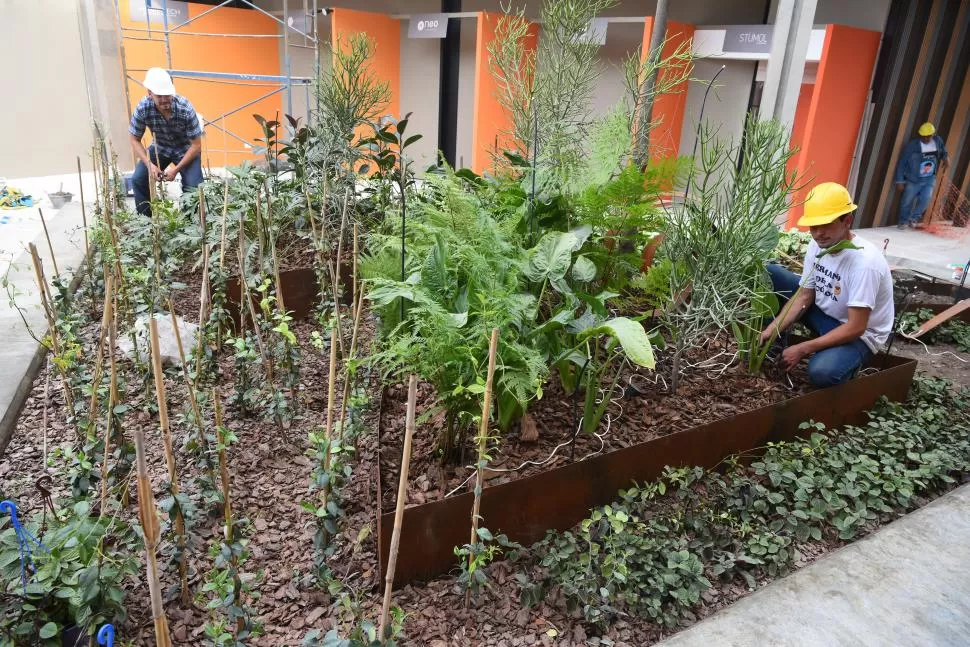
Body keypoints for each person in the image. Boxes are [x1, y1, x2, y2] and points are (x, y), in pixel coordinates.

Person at [761, 182, 894, 387]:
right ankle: (772, 351)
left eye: (826, 225)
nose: (818, 233)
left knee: (822, 373)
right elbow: (804, 296)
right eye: (814, 226)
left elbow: (856, 327)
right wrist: (772, 330)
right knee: (773, 273)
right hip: (825, 315)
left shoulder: (865, 264)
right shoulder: (818, 244)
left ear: (847, 221)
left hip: (858, 334)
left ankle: (847, 362)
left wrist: (804, 348)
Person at [129, 67, 203, 216]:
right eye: (159, 96)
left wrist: (175, 170)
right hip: (160, 147)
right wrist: (150, 165)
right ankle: (146, 224)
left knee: (194, 188)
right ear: (149, 93)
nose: (164, 100)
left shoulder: (185, 108)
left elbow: (196, 145)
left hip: (185, 149)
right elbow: (134, 139)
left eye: (167, 95)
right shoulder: (143, 108)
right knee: (138, 179)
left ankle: (191, 228)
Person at [893, 121, 949, 229]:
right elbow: (902, 162)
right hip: (913, 180)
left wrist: (946, 158)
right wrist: (899, 180)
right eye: (923, 137)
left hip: (929, 178)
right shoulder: (912, 146)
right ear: (920, 135)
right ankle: (903, 221)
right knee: (906, 201)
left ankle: (913, 219)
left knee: (926, 199)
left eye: (929, 136)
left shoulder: (937, 141)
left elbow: (943, 151)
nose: (926, 139)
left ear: (933, 135)